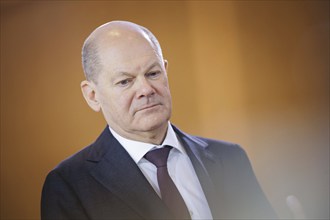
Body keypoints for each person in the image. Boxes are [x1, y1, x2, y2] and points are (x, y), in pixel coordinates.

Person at [41, 20, 277, 220]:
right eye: (125, 81)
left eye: (153, 73)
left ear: (165, 71)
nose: (146, 89)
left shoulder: (230, 159)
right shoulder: (69, 185)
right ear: (92, 96)